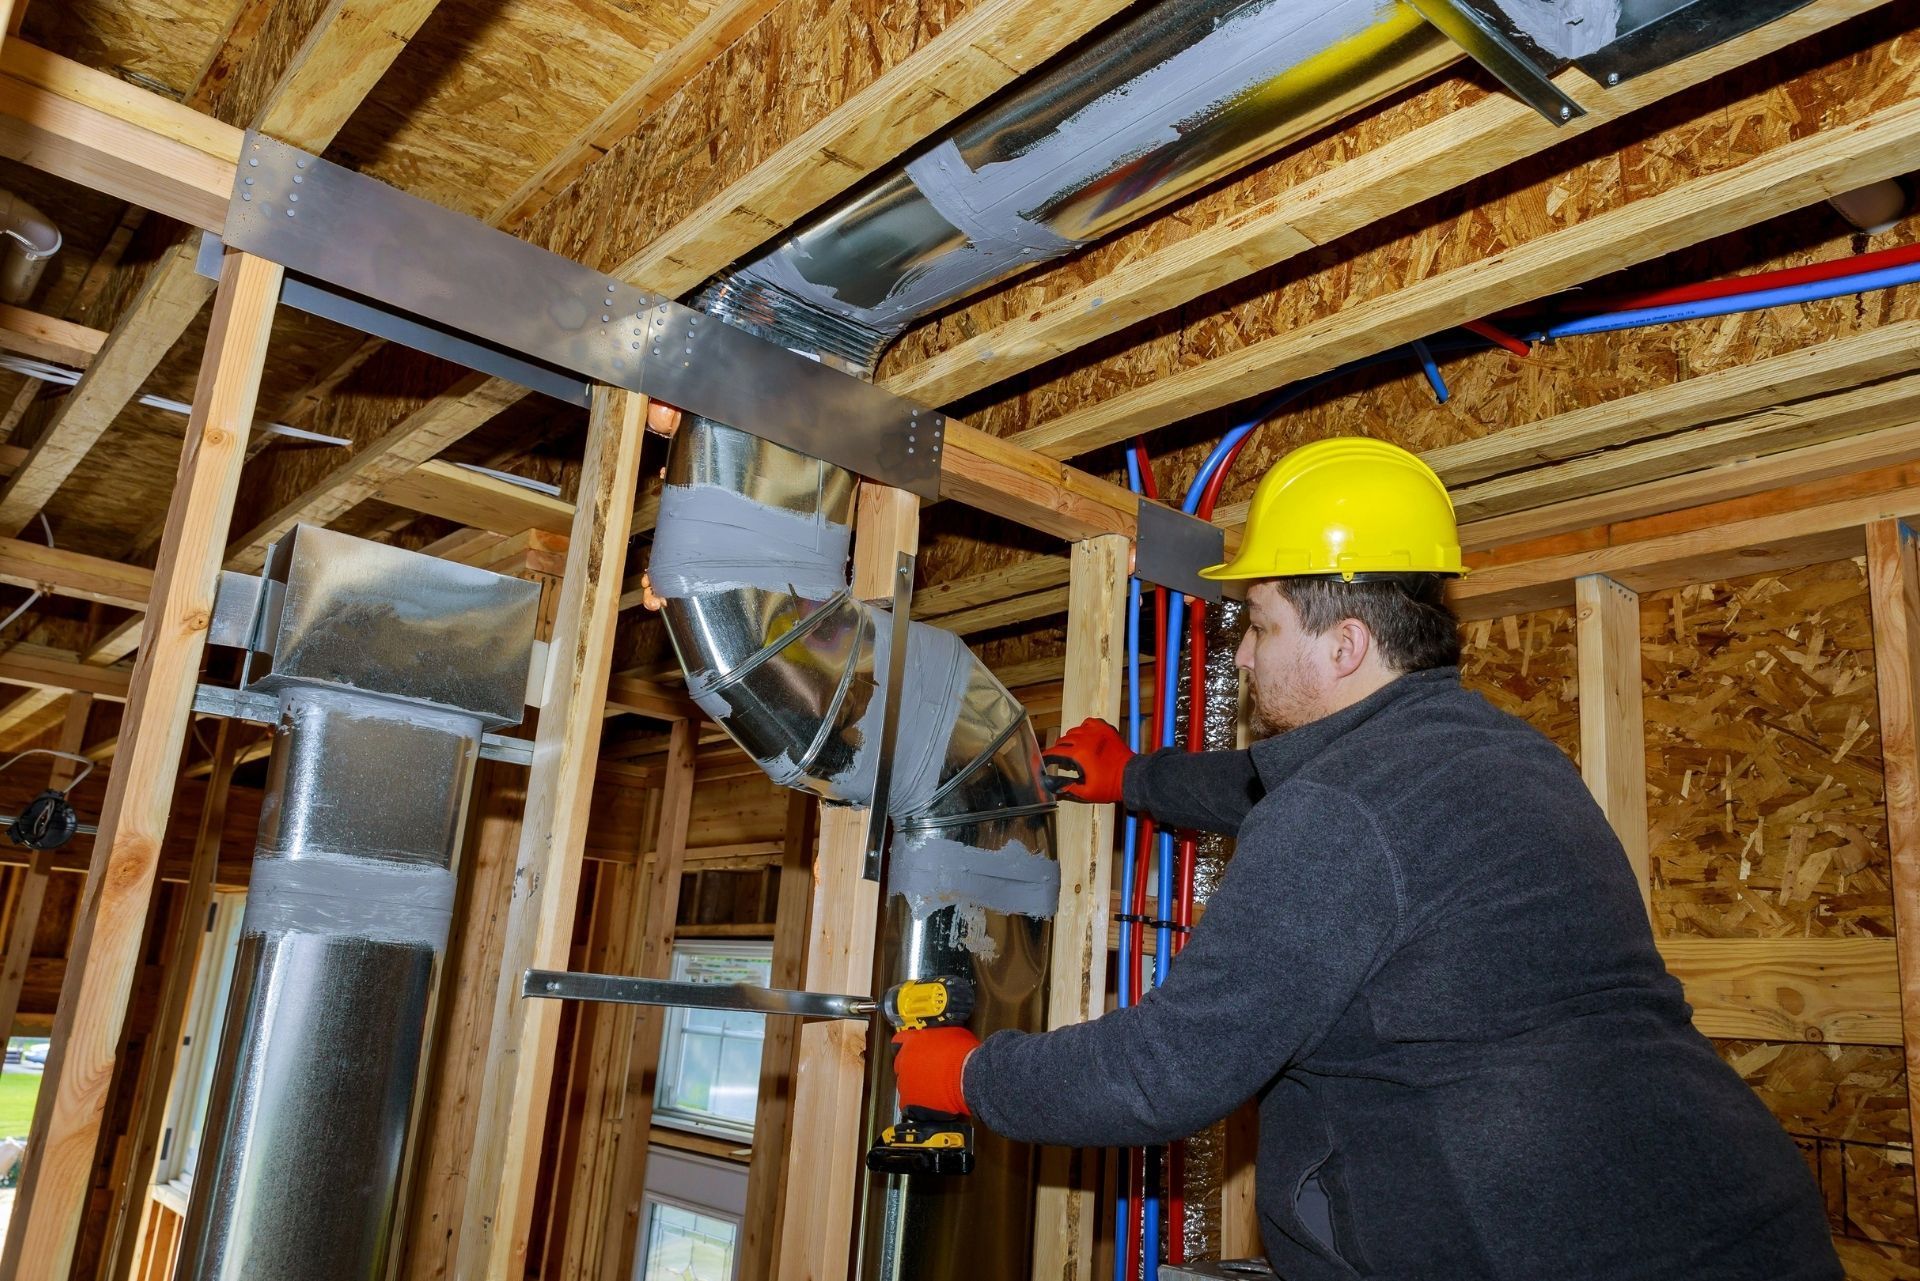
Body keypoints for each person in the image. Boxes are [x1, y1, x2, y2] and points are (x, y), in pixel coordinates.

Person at [889, 438, 1840, 1279]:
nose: (1245, 660)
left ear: (1345, 644)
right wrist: (1133, 775)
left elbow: (1167, 1067)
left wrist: (971, 1076)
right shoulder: (1496, 753)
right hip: (1732, 1218)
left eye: (1259, 627)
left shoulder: (1341, 815)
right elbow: (1270, 789)